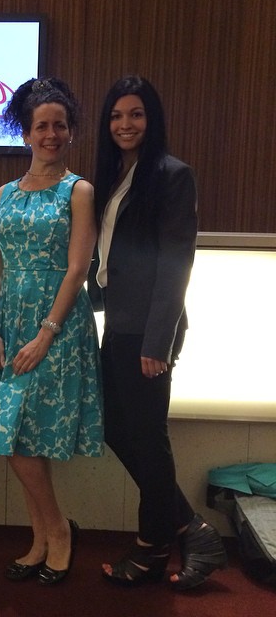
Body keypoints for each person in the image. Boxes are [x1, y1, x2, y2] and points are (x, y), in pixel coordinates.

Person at [92, 75, 227, 590]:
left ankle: (153, 549)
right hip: (119, 326)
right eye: (117, 116)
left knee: (147, 438)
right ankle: (190, 529)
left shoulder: (172, 175)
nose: (125, 125)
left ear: (153, 120)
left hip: (148, 331)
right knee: (117, 430)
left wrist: (156, 343)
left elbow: (176, 264)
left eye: (136, 114)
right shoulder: (112, 177)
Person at [0, 78, 104, 586]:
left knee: (21, 436)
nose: (50, 134)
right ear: (25, 133)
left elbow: (77, 269)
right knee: (15, 436)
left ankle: (59, 532)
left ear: (70, 133)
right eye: (40, 126)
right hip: (10, 322)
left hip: (59, 324)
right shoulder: (4, 192)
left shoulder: (79, 190)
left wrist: (46, 333)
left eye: (59, 126)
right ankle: (42, 535)